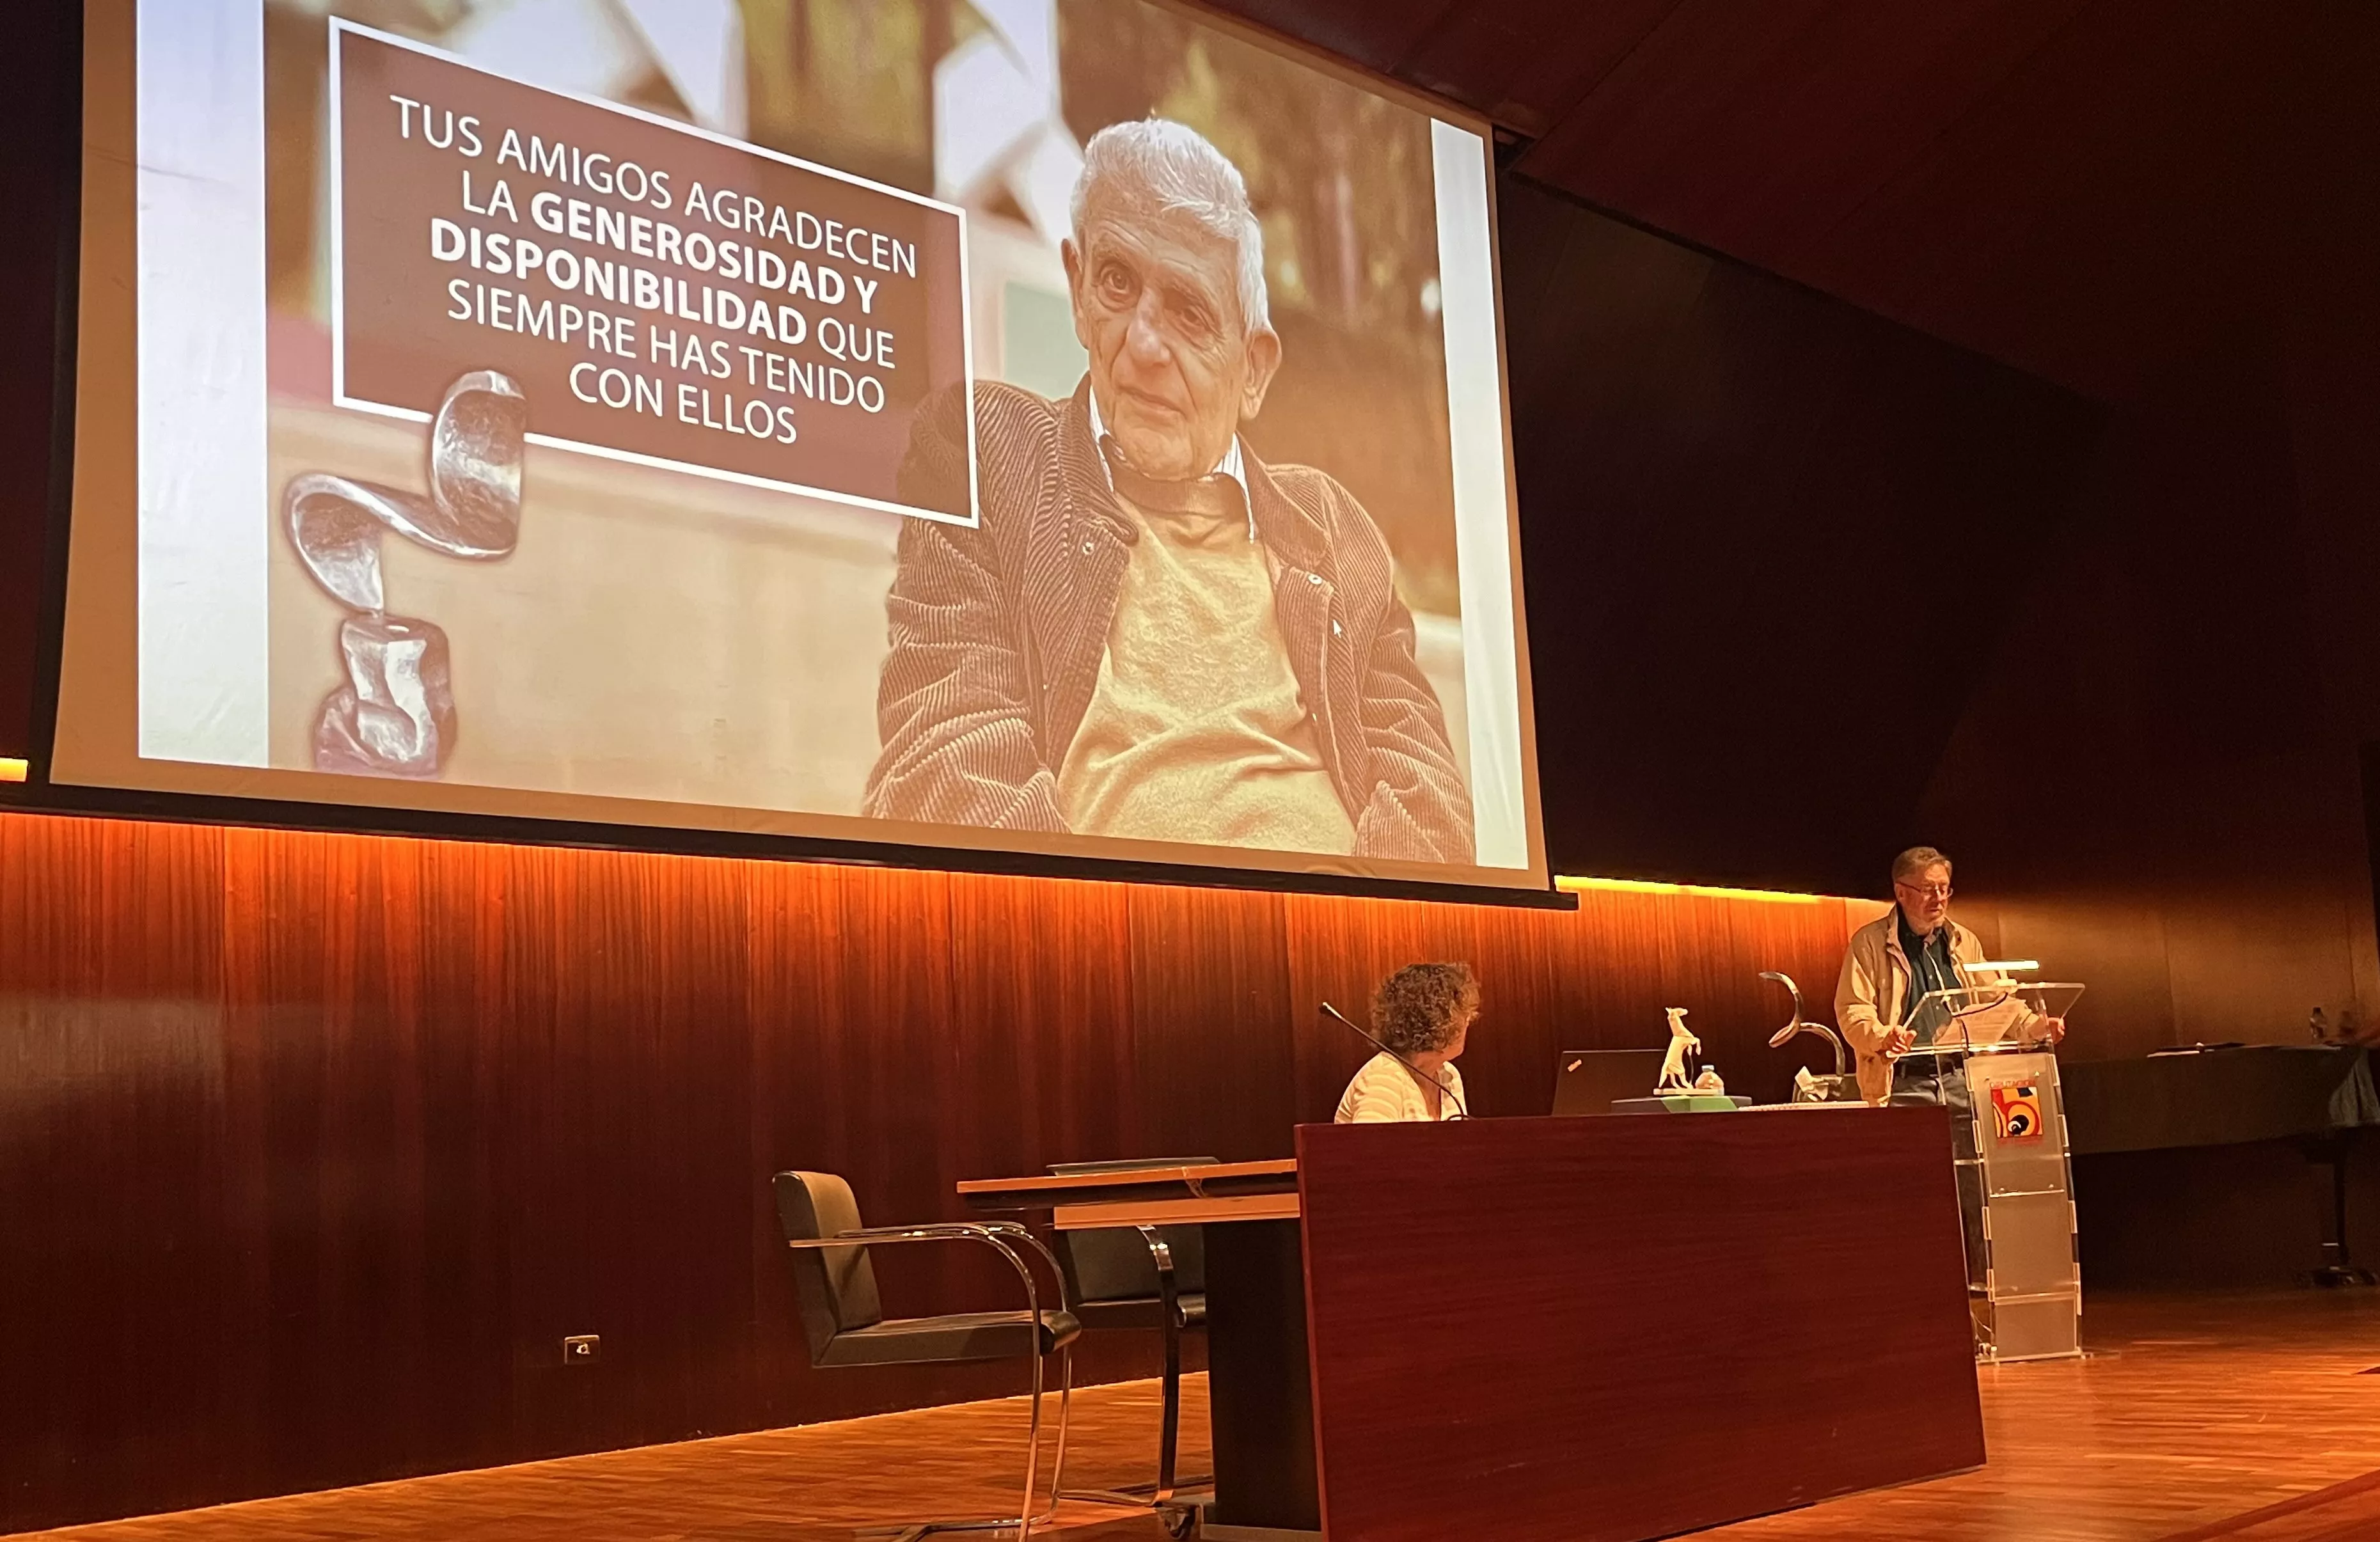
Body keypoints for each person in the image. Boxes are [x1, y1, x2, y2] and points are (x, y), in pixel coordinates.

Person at [862, 117, 1473, 863]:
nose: (1146, 345)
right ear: (1079, 290)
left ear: (1253, 369)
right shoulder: (988, 452)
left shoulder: (1328, 522)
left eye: (1189, 311)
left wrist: (1362, 934)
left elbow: (1429, 797)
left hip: (1336, 956)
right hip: (1103, 952)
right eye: (1118, 282)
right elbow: (942, 765)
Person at [1835, 846, 2066, 1109]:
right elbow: (1853, 1011)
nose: (1938, 898)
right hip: (1903, 1086)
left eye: (1943, 889)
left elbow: (1996, 1002)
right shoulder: (1869, 943)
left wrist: (2036, 1027)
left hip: (1964, 1080)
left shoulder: (1963, 940)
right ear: (1901, 893)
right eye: (1927, 889)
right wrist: (1883, 1037)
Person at [1335, 962, 1476, 1123]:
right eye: (1465, 1015)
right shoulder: (1383, 1078)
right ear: (1440, 1023)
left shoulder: (1449, 1075)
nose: (1468, 1022)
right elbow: (1371, 1147)